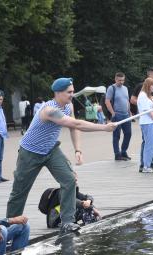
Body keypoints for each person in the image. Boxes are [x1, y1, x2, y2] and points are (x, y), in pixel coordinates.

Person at [6, 77, 115, 235]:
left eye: (72, 91)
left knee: (69, 179)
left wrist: (78, 149)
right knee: (20, 190)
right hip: (30, 152)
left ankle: (67, 221)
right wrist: (104, 127)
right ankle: (11, 225)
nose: (72, 95)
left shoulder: (68, 105)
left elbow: (73, 127)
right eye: (69, 92)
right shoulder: (49, 110)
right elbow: (77, 124)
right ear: (58, 93)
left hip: (51, 149)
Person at [131, 67, 153, 172]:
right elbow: (147, 110)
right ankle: (146, 166)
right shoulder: (142, 95)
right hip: (147, 123)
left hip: (152, 122)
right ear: (148, 86)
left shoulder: (149, 96)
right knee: (149, 145)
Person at [105, 72, 132, 161]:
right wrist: (112, 112)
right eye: (119, 80)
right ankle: (117, 154)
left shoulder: (125, 88)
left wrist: (129, 112)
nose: (121, 82)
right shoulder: (111, 88)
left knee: (128, 134)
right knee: (116, 135)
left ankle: (123, 152)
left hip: (126, 115)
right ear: (115, 79)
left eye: (123, 80)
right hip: (117, 114)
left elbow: (127, 101)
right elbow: (107, 101)